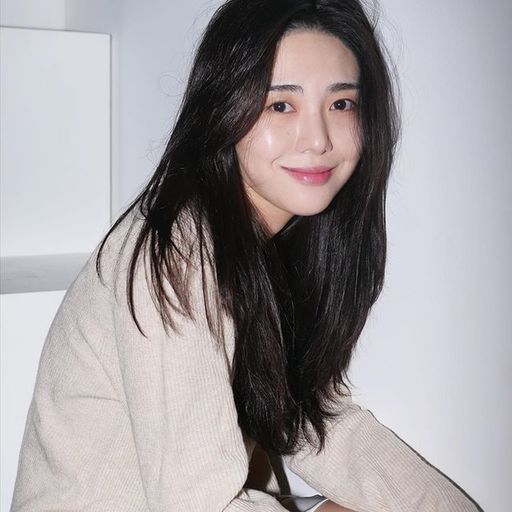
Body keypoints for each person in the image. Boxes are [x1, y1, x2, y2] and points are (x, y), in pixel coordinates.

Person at [11, 1, 482, 511]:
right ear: (224, 109)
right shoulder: (179, 255)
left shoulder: (270, 246)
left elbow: (317, 422)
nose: (318, 139)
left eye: (342, 103)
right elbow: (202, 503)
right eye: (281, 105)